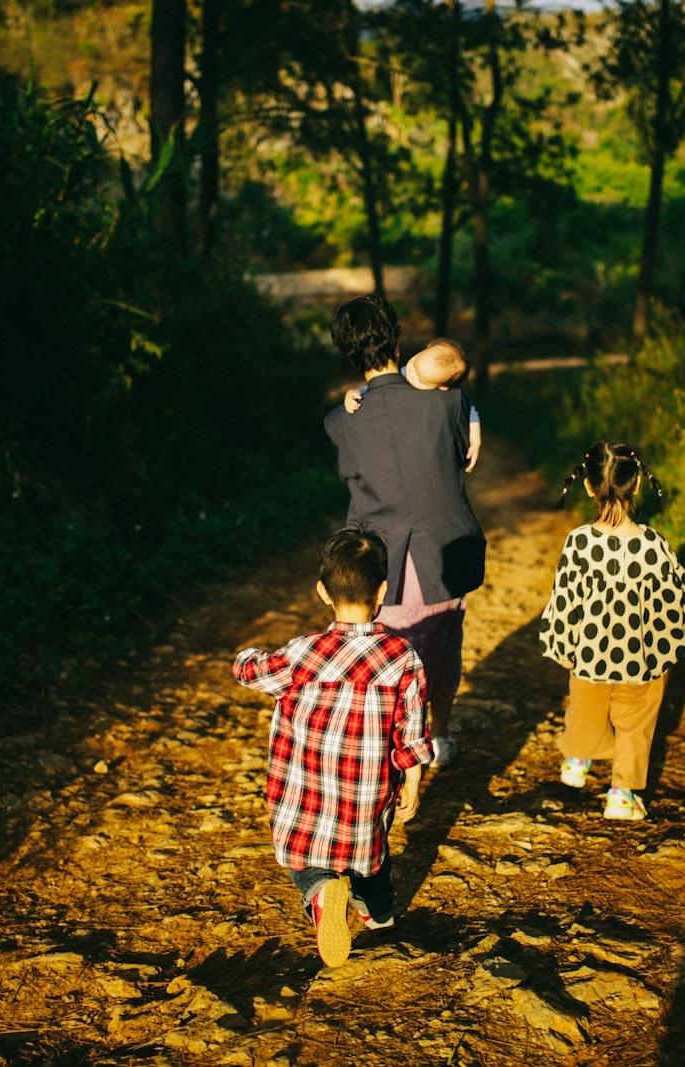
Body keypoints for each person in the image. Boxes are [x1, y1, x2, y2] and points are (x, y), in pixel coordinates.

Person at [232, 527, 433, 967]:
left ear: (323, 591)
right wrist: (413, 782)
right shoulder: (403, 657)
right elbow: (412, 731)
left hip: (303, 792)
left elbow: (249, 672)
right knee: (374, 857)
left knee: (300, 853)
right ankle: (378, 918)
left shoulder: (302, 653)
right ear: (383, 590)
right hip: (365, 798)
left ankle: (321, 890)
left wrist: (246, 654)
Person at [324, 294, 486, 768]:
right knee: (442, 648)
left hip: (380, 564)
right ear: (397, 338)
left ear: (349, 354)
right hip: (445, 554)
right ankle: (439, 735)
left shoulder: (340, 422)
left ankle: (391, 744)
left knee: (387, 660)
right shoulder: (449, 402)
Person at [539, 441, 685, 821]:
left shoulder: (579, 542)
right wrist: (680, 637)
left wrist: (563, 645)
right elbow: (682, 599)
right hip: (640, 659)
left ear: (588, 487)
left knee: (585, 706)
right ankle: (621, 794)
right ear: (638, 485)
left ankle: (578, 761)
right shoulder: (652, 545)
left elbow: (565, 599)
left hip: (590, 656)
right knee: (635, 722)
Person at [343, 337, 483, 472]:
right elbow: (376, 389)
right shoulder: (403, 374)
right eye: (415, 362)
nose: (410, 372)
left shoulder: (453, 394)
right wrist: (353, 393)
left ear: (442, 387)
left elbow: (471, 410)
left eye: (419, 378)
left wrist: (475, 441)